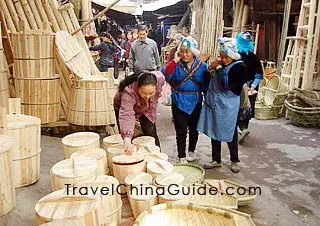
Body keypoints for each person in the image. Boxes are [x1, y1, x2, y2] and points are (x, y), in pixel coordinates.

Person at [198, 37, 246, 173]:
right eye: (222, 57)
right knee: (214, 131)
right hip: (215, 103)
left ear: (232, 55)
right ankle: (216, 159)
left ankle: (234, 160)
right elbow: (207, 80)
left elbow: (227, 86)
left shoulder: (240, 67)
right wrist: (209, 69)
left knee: (231, 132)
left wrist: (218, 68)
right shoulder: (219, 64)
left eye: (227, 57)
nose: (224, 60)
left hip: (229, 106)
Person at [162, 36, 209, 164]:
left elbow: (205, 85)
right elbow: (166, 76)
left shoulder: (202, 66)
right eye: (181, 51)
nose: (184, 54)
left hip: (195, 101)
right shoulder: (175, 64)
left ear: (193, 52)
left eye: (187, 51)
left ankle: (191, 151)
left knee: (194, 130)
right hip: (178, 100)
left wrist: (208, 101)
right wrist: (174, 61)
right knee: (181, 131)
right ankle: (181, 156)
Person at [114, 70, 165, 154]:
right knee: (128, 137)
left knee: (150, 132)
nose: (147, 96)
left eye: (151, 93)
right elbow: (126, 114)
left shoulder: (159, 79)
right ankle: (132, 155)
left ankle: (157, 155)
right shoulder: (129, 93)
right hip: (123, 108)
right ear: (138, 88)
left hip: (147, 107)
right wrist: (127, 137)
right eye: (144, 93)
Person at [236, 32, 263, 143]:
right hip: (251, 87)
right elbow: (259, 75)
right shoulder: (254, 57)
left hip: (237, 87)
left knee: (236, 108)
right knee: (247, 108)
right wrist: (252, 87)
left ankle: (238, 130)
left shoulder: (235, 56)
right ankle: (244, 128)